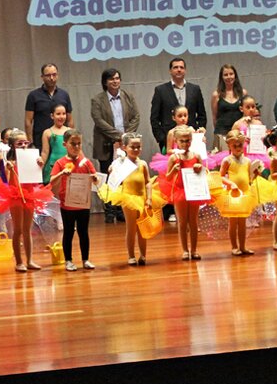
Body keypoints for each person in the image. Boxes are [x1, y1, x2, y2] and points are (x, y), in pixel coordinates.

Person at [0, 129, 53, 272]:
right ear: (12, 145)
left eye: (26, 142)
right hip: (15, 196)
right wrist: (7, 168)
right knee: (18, 229)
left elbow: (35, 176)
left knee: (27, 229)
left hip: (29, 194)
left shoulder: (31, 158)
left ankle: (30, 260)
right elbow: (6, 181)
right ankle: (19, 261)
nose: (24, 146)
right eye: (20, 143)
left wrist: (39, 164)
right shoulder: (9, 161)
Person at [101, 133, 165, 266]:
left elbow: (147, 182)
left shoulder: (142, 164)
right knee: (131, 228)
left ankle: (143, 255)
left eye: (138, 147)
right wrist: (112, 170)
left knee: (142, 228)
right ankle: (131, 255)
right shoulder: (120, 163)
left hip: (142, 198)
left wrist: (149, 198)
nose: (136, 149)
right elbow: (113, 175)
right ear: (125, 147)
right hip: (128, 198)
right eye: (132, 147)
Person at [90, 68, 140, 223]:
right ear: (105, 82)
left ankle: (121, 209)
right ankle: (109, 210)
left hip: (125, 145)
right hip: (106, 144)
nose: (115, 81)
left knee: (124, 177)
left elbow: (136, 117)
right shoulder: (97, 100)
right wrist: (119, 136)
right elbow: (99, 121)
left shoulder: (128, 96)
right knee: (108, 176)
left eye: (117, 78)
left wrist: (126, 137)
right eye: (111, 79)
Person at [48, 129, 99, 271]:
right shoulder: (60, 162)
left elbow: (96, 179)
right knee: (68, 232)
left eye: (79, 144)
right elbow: (51, 181)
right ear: (65, 144)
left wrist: (95, 178)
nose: (76, 147)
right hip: (67, 204)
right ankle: (68, 260)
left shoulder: (86, 162)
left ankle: (85, 259)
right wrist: (61, 173)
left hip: (83, 204)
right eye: (73, 144)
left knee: (83, 232)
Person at [158, 126, 211, 260]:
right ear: (176, 141)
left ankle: (194, 250)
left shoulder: (196, 156)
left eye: (188, 141)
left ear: (191, 140)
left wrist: (200, 167)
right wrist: (173, 170)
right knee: (182, 222)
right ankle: (185, 250)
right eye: (182, 141)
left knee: (193, 222)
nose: (185, 144)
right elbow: (167, 178)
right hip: (180, 191)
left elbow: (205, 173)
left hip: (194, 191)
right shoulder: (173, 158)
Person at [214, 130, 265, 257]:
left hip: (245, 194)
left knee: (242, 222)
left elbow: (249, 178)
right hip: (233, 195)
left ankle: (243, 246)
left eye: (240, 145)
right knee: (233, 222)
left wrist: (255, 175)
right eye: (234, 146)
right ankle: (234, 246)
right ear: (229, 146)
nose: (238, 148)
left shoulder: (247, 161)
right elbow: (220, 176)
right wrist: (231, 183)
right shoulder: (227, 160)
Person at [151, 57, 207, 152]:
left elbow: (202, 115)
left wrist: (198, 134)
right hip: (170, 140)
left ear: (185, 70)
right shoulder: (160, 90)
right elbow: (154, 118)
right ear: (170, 71)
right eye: (175, 67)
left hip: (192, 139)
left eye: (181, 67)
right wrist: (161, 138)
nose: (179, 70)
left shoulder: (195, 89)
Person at [25, 63, 73, 148]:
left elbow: (70, 120)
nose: (51, 78)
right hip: (40, 140)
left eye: (54, 75)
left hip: (61, 140)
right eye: (48, 75)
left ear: (57, 76)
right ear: (42, 77)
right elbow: (28, 121)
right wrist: (30, 141)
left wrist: (71, 138)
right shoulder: (33, 95)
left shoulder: (64, 95)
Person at [211, 64, 247, 151]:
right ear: (222, 77)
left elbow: (246, 114)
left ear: (235, 75)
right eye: (225, 75)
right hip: (222, 133)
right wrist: (219, 134)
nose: (229, 77)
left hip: (238, 133)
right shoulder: (216, 95)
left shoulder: (243, 93)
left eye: (231, 74)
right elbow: (214, 117)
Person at [40, 104, 70, 184]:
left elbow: (78, 150)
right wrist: (39, 168)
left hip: (68, 165)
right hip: (52, 165)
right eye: (58, 114)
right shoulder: (47, 132)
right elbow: (45, 152)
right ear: (52, 116)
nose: (61, 116)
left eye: (64, 114)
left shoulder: (70, 131)